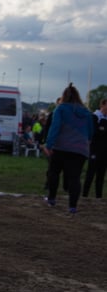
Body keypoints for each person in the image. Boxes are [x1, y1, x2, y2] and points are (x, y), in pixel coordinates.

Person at [45, 84, 94, 214]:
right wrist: (86, 142)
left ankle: (52, 198)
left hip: (61, 147)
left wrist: (49, 144)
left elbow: (55, 127)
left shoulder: (60, 109)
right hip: (80, 149)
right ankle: (73, 206)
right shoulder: (86, 112)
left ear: (64, 96)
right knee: (75, 177)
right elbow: (90, 132)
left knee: (54, 172)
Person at [82, 98, 107, 198]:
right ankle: (84, 195)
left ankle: (98, 196)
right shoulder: (95, 116)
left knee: (101, 175)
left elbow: (102, 131)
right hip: (95, 149)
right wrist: (102, 130)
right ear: (102, 105)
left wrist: (103, 130)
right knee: (90, 173)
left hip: (105, 151)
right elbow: (95, 132)